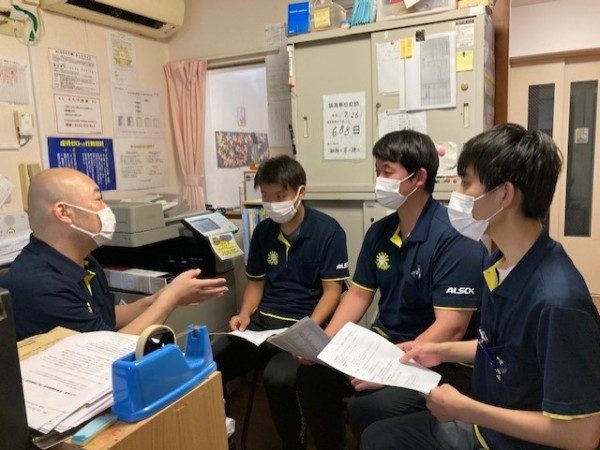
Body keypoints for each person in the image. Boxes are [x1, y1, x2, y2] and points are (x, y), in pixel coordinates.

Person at [360, 123, 600, 449]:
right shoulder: (499, 264)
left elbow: (582, 435)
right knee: (377, 437)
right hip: (485, 429)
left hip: (512, 439)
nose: (457, 193)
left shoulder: (557, 301)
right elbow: (504, 349)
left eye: (466, 181)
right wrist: (438, 350)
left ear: (504, 195)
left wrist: (467, 410)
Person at [296, 129, 487, 450]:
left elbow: (452, 328)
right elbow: (358, 294)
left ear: (418, 177)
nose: (379, 181)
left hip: (441, 360)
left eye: (387, 172)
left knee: (368, 407)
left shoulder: (455, 238)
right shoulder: (379, 233)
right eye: (377, 172)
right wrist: (323, 344)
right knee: (312, 377)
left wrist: (388, 369)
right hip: (383, 346)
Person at [212, 155, 350, 450]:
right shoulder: (263, 232)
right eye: (266, 196)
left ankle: (293, 443)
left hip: (305, 323)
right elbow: (256, 283)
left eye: (280, 196)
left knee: (278, 378)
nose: (273, 204)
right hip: (265, 324)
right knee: (210, 363)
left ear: (301, 192)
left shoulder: (328, 231)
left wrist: (309, 328)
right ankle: (219, 437)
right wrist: (244, 314)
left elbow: (332, 292)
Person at [0, 168, 229, 340]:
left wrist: (159, 298)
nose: (106, 209)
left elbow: (106, 316)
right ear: (64, 212)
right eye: (98, 199)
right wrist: (170, 300)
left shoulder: (84, 262)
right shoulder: (40, 285)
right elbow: (107, 352)